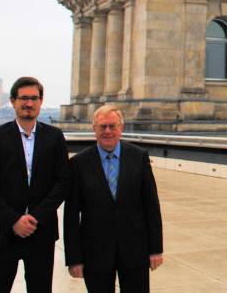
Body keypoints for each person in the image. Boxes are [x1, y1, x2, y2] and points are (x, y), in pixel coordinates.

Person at [0, 76, 69, 293]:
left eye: (34, 98)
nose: (29, 103)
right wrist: (14, 220)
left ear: (41, 101)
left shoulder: (54, 137)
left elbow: (62, 183)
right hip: (2, 231)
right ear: (13, 101)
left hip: (41, 232)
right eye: (24, 98)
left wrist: (34, 218)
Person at [64, 105, 163, 293]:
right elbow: (71, 214)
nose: (107, 131)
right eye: (102, 127)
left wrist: (156, 248)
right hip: (95, 254)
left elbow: (151, 206)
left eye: (112, 126)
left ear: (121, 128)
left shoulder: (139, 157)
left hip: (135, 251)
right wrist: (74, 258)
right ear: (94, 129)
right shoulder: (79, 163)